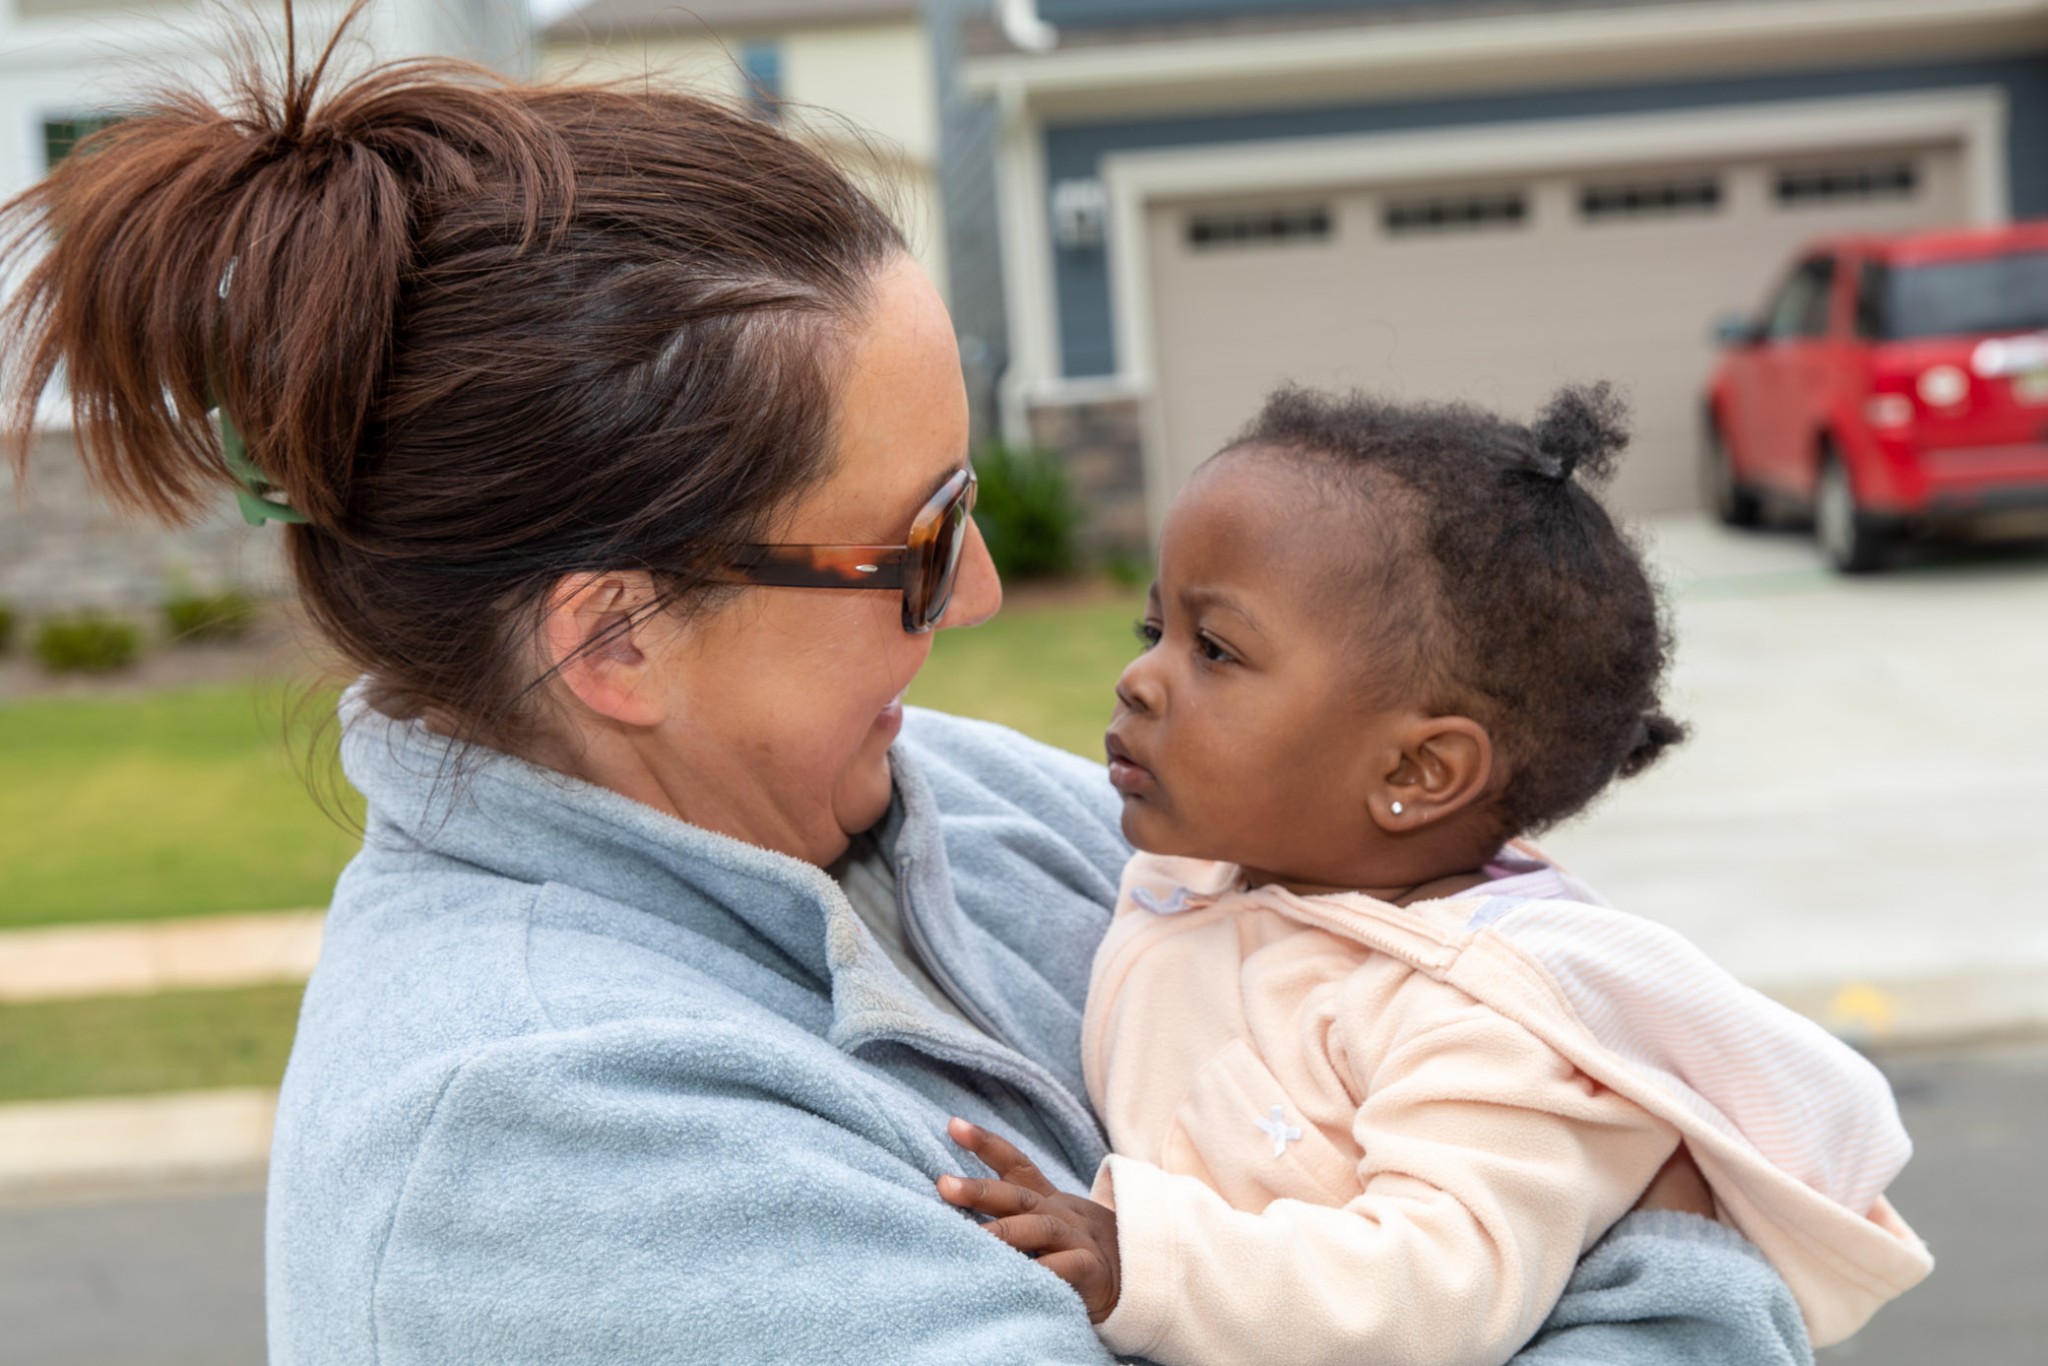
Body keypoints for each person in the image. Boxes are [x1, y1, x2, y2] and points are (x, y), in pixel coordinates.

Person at [0, 20, 1827, 1362]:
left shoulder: (963, 802)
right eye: (913, 535)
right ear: (614, 638)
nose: (986, 587)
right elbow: (1572, 1142)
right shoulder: (557, 1147)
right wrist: (1672, 1254)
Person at [938, 384, 1933, 1366]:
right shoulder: (1222, 875)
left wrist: (1139, 1263)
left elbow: (1429, 1294)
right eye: (1151, 630)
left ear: (1414, 770)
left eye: (1214, 648)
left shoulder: (1481, 1020)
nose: (1139, 678)